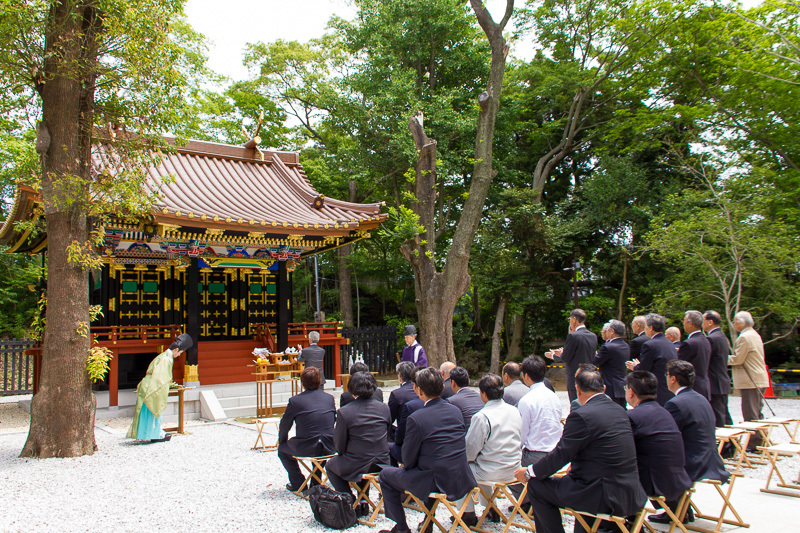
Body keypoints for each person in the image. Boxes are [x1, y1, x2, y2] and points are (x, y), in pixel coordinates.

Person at [516, 366, 646, 533]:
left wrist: (529, 472)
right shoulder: (620, 411)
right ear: (604, 389)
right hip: (630, 490)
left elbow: (561, 454)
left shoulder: (582, 415)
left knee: (536, 486)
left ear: (577, 390)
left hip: (601, 494)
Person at [378, 367, 476, 533]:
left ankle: (401, 528)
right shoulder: (455, 411)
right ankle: (427, 521)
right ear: (443, 387)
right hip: (459, 475)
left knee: (385, 475)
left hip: (434, 480)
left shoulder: (417, 418)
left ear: (419, 390)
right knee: (430, 465)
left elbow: (407, 460)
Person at [625, 371, 693, 522]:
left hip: (655, 482)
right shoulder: (664, 411)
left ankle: (625, 523)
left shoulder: (632, 417)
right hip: (678, 477)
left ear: (631, 392)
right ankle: (679, 511)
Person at [457, 373, 522, 526]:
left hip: (491, 471)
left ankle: (467, 513)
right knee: (480, 464)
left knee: (461, 468)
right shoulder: (514, 410)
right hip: (514, 467)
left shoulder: (482, 416)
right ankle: (490, 507)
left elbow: (470, 450)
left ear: (483, 394)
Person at [326, 371, 391, 516]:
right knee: (363, 460)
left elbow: (340, 445)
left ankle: (350, 498)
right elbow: (386, 433)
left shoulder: (345, 411)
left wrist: (344, 452)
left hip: (357, 461)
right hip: (381, 461)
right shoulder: (384, 408)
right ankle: (363, 500)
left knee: (331, 465)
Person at [664, 360, 729, 483]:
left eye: (666, 375)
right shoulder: (702, 398)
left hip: (693, 464)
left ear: (673, 379)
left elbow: (669, 437)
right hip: (711, 461)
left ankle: (676, 502)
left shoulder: (675, 404)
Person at [277, 366, 336, 492]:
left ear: (302, 383)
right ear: (319, 381)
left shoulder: (295, 401)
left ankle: (299, 483)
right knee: (320, 445)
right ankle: (316, 481)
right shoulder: (329, 398)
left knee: (282, 450)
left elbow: (285, 424)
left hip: (307, 444)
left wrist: (282, 440)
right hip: (330, 444)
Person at [127, 333, 192, 442]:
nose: (180, 355)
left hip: (149, 384)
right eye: (180, 352)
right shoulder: (165, 359)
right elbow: (160, 378)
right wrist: (166, 386)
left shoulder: (164, 356)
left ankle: (146, 434)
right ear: (176, 349)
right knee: (152, 410)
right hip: (151, 386)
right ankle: (153, 435)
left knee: (146, 412)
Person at [730, 311, 769, 450]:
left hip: (750, 379)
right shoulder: (754, 334)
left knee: (750, 413)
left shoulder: (745, 337)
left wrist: (721, 358)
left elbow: (738, 359)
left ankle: (755, 443)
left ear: (741, 322)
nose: (734, 324)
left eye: (735, 321)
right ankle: (761, 440)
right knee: (757, 411)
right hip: (759, 378)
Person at [546, 309, 598, 403]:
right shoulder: (593, 336)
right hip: (590, 374)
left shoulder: (573, 336)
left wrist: (553, 355)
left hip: (575, 374)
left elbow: (565, 358)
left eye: (570, 319)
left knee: (576, 402)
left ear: (574, 319)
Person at [627, 313, 676, 405]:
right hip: (669, 388)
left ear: (651, 328)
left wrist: (635, 367)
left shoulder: (650, 345)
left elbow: (644, 370)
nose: (645, 329)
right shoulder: (670, 344)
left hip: (656, 391)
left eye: (645, 326)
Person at [703, 310, 733, 427]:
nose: (702, 323)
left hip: (714, 381)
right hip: (722, 379)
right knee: (724, 413)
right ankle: (730, 443)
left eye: (704, 320)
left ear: (710, 322)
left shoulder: (712, 339)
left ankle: (724, 443)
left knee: (718, 415)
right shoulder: (721, 336)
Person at [593, 319, 629, 408]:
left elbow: (595, 361)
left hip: (610, 384)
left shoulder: (608, 347)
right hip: (622, 383)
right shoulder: (626, 345)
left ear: (612, 331)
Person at [678, 310, 712, 400]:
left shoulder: (689, 343)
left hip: (693, 387)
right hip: (704, 384)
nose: (683, 324)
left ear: (690, 323)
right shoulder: (705, 340)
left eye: (684, 321)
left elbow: (679, 365)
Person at [388, 361, 418, 430]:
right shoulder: (421, 391)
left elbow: (390, 418)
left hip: (404, 431)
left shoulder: (396, 394)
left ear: (400, 375)